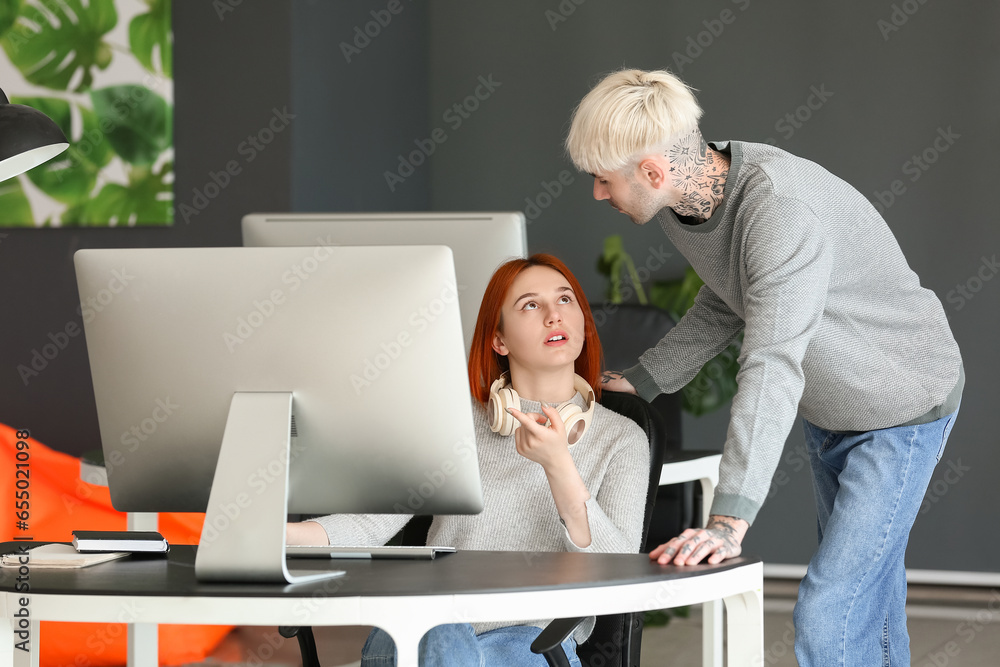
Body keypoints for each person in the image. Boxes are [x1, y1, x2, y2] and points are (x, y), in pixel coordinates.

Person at [564, 68, 963, 665]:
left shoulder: (779, 210)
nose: (598, 193)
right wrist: (635, 383)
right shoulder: (684, 204)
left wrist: (727, 521)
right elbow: (729, 299)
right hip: (835, 411)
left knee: (830, 611)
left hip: (901, 409)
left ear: (653, 171)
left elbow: (772, 364)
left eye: (603, 180)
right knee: (868, 604)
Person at [287, 254, 649, 667]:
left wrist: (558, 466)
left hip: (532, 642)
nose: (554, 315)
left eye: (565, 300)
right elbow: (371, 524)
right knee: (441, 635)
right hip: (428, 625)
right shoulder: (454, 422)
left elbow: (622, 572)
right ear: (499, 340)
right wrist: (277, 535)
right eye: (531, 305)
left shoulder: (621, 439)